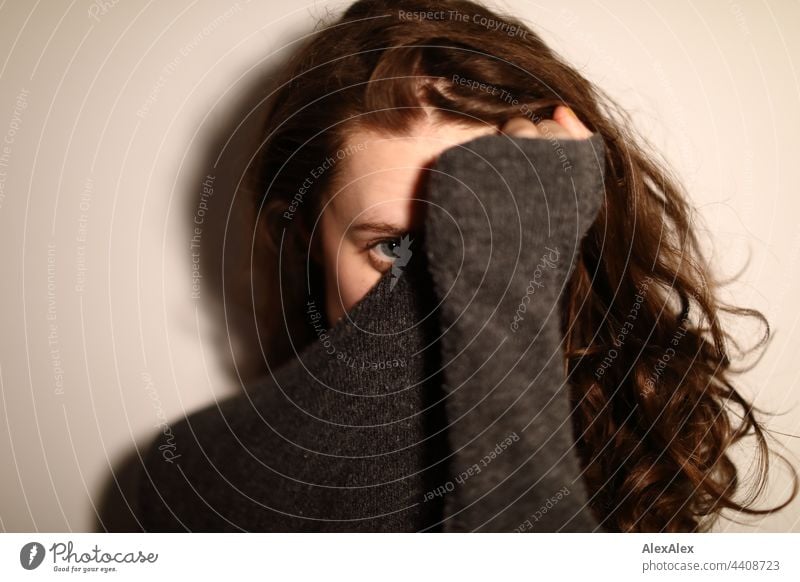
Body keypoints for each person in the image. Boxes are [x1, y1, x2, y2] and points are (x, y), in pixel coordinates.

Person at [138, 0, 797, 532]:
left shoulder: (634, 437)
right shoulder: (192, 484)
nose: (448, 295)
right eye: (395, 249)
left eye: (499, 240)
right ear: (308, 235)